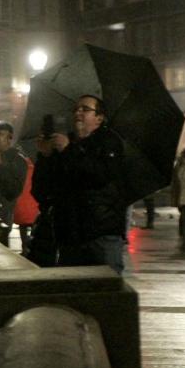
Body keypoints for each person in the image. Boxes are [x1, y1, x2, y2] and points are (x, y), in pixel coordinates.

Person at [31, 95, 128, 274]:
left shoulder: (109, 142)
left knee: (107, 290)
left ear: (100, 117)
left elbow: (100, 176)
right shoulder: (64, 144)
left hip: (101, 231)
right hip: (69, 233)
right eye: (76, 109)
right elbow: (40, 190)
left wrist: (69, 150)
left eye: (85, 109)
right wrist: (45, 157)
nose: (78, 112)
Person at [13, 153, 40, 256]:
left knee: (22, 226)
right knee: (34, 225)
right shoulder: (36, 166)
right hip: (33, 199)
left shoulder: (18, 167)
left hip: (21, 199)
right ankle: (33, 249)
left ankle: (24, 248)